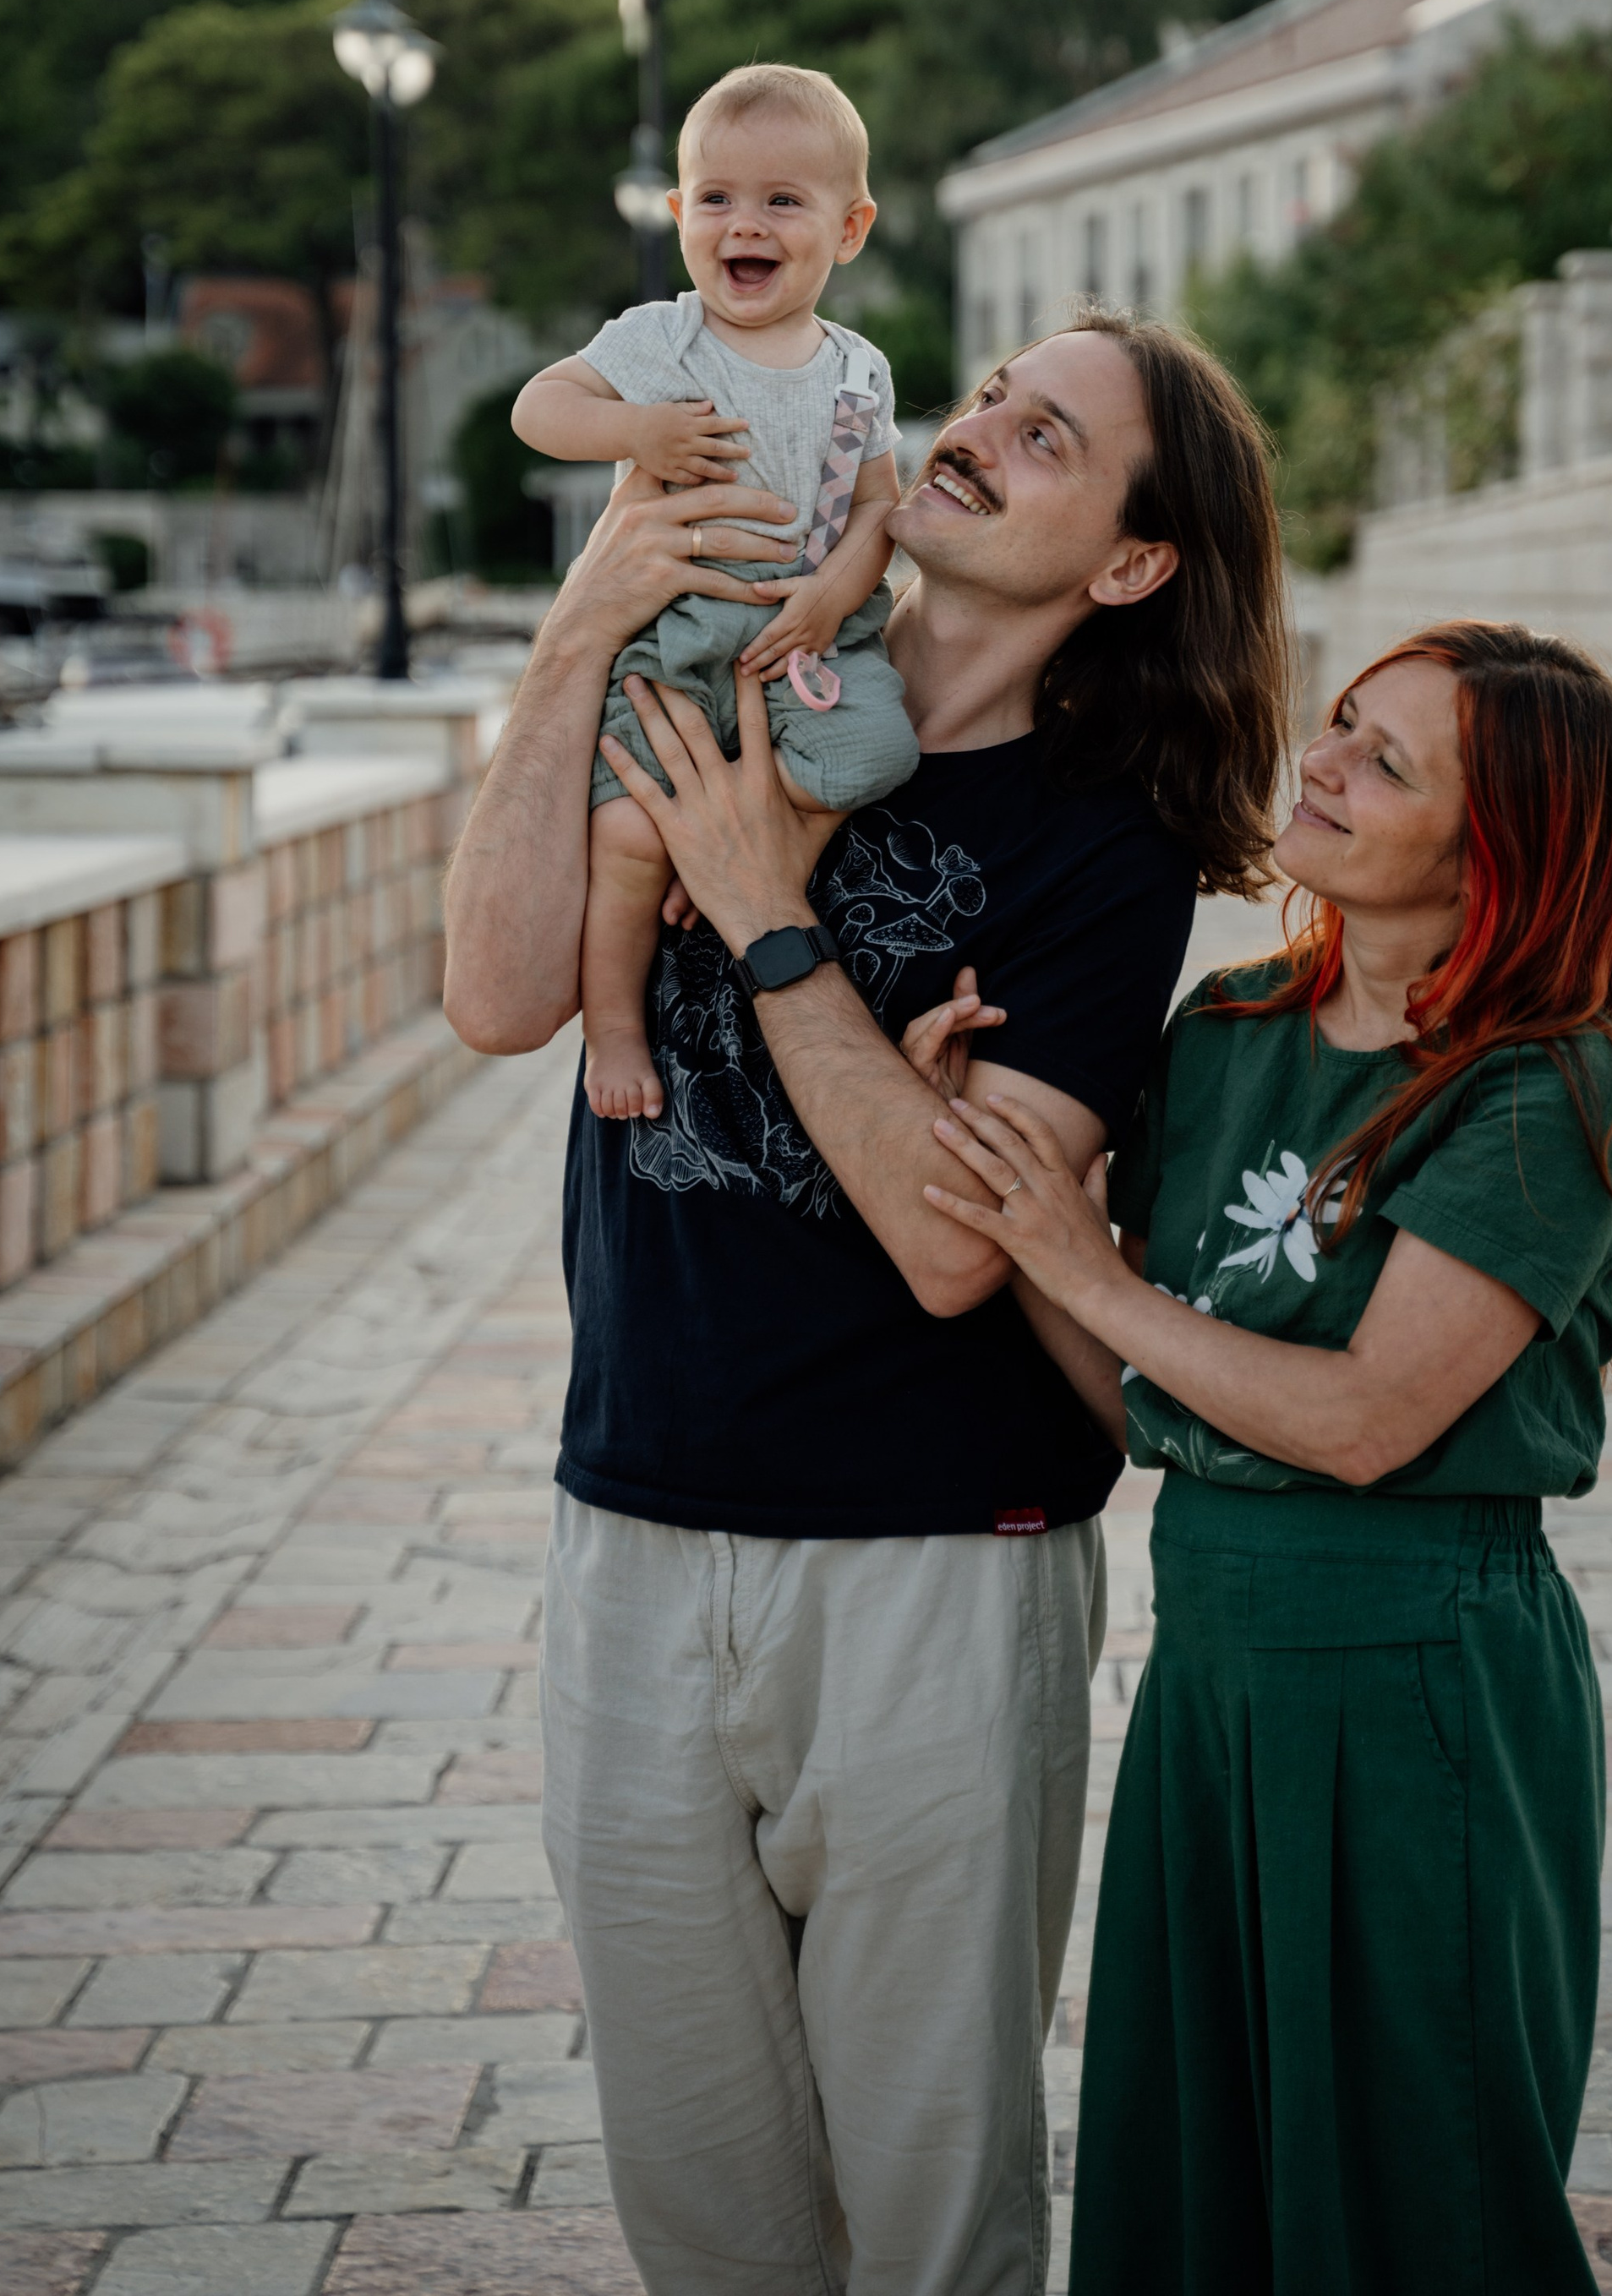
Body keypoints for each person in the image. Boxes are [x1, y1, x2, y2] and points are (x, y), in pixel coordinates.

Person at [440, 310, 1292, 2296]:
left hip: (935, 1561)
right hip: (631, 1517)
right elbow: (495, 996)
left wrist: (761, 913)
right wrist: (578, 632)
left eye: (1049, 435)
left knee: (930, 2198)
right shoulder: (729, 668)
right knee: (701, 2191)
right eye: (990, 388)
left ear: (1128, 564)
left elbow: (947, 1246)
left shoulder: (1103, 843)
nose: (976, 424)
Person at [917, 620, 1612, 2296]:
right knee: (1192, 2169)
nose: (1322, 767)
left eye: (1384, 761)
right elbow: (1142, 1387)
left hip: (1417, 1674)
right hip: (1210, 1673)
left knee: (1413, 2186)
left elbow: (1361, 1420)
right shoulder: (1223, 1031)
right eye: (1339, 726)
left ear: (1494, 849)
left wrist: (1078, 1262)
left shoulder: (1545, 1088)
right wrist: (991, 1171)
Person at [511, 62, 920, 1123]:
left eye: (784, 200)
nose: (747, 223)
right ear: (679, 214)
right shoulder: (662, 339)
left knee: (877, 754)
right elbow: (539, 408)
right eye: (718, 199)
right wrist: (633, 431)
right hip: (675, 627)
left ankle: (750, 845)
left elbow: (882, 506)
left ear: (850, 228)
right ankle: (614, 1026)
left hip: (805, 625)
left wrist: (836, 595)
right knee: (628, 836)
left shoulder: (857, 370)